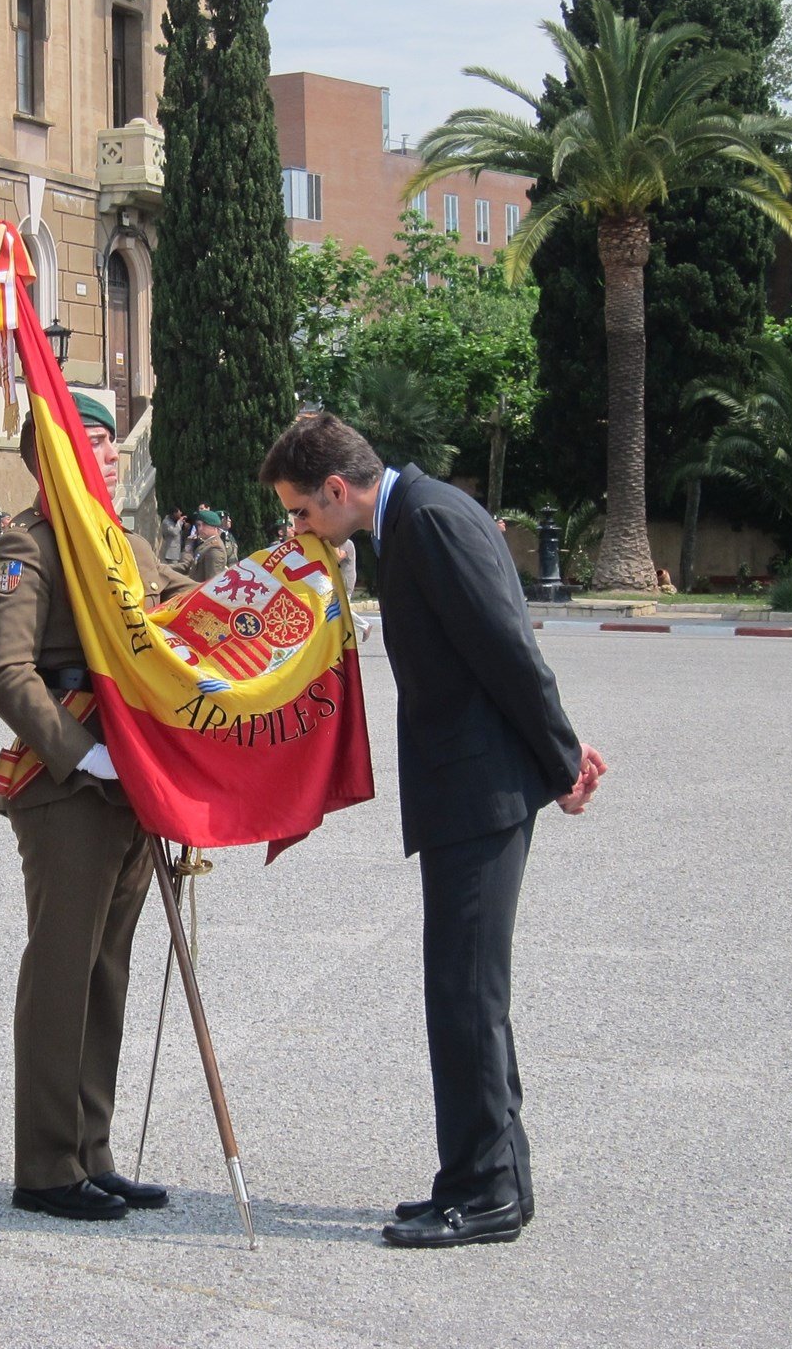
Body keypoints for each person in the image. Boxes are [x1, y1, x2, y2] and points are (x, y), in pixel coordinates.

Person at [259, 411, 606, 1249]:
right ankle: (485, 1178)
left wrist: (562, 761)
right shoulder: (414, 517)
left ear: (337, 490)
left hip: (480, 790)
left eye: (302, 512)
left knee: (465, 994)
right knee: (464, 991)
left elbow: (506, 648)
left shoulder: (432, 521)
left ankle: (484, 1193)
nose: (299, 529)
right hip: (469, 786)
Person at [0, 391, 196, 1223]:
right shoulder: (28, 547)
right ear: (52, 459)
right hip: (69, 781)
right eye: (90, 442)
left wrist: (278, 577)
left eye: (108, 441)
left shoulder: (123, 542)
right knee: (65, 969)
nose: (107, 454)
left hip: (133, 774)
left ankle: (90, 1151)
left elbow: (189, 606)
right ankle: (44, 1163)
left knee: (108, 970)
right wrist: (82, 755)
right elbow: (7, 671)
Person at [189, 509, 227, 582]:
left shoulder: (215, 549)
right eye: (198, 525)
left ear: (214, 527)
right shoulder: (207, 544)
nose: (199, 529)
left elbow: (211, 583)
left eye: (203, 525)